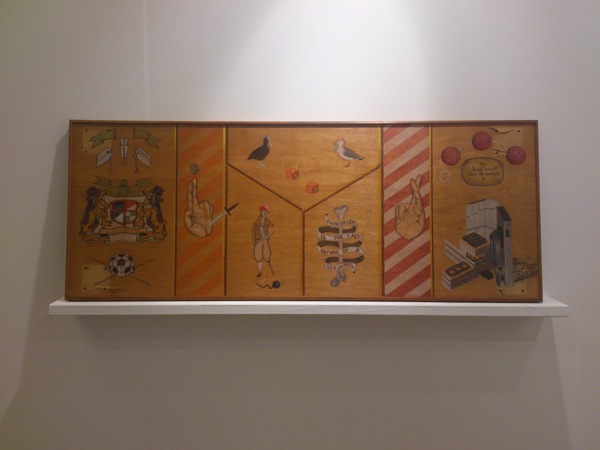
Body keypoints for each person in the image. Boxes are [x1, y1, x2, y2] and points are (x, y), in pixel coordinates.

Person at [252, 205, 274, 277]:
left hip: (265, 239)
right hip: (258, 240)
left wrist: (272, 226)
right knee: (258, 256)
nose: (265, 213)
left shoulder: (267, 220)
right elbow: (253, 231)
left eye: (266, 212)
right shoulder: (256, 221)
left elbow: (272, 225)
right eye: (264, 212)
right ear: (261, 212)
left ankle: (271, 270)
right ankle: (260, 271)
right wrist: (254, 240)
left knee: (267, 254)